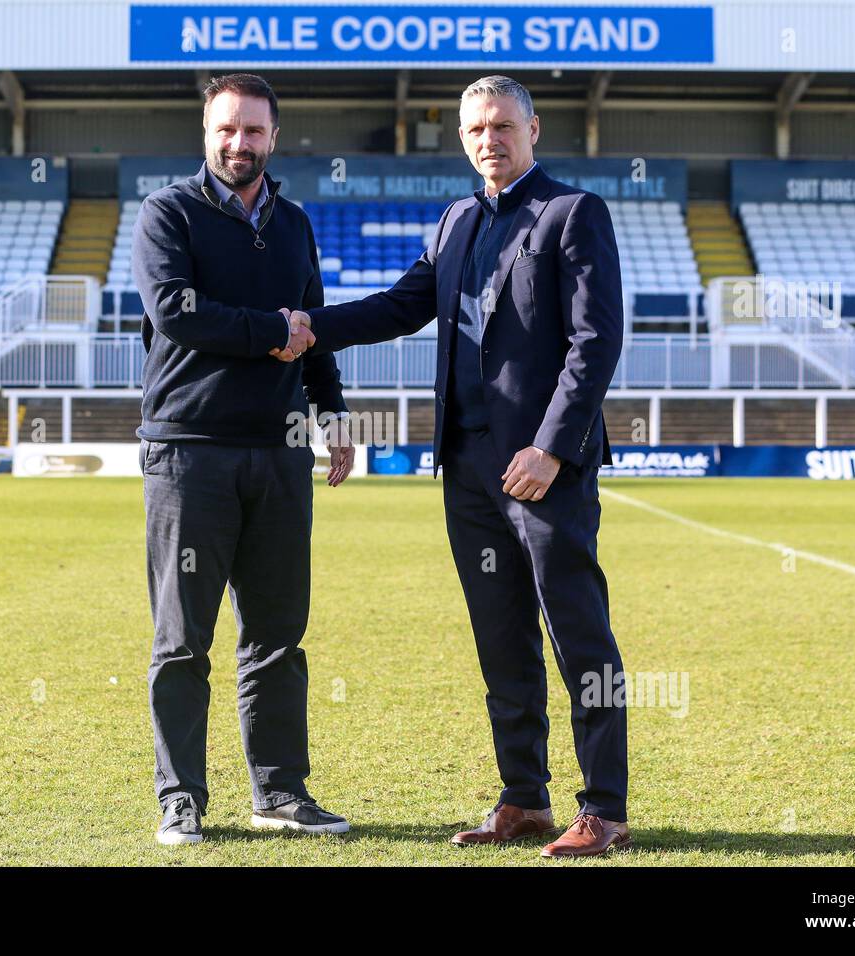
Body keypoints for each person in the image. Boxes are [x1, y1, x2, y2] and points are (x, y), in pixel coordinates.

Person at [285, 75, 630, 858]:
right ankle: (525, 799)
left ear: (533, 128)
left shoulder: (573, 214)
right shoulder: (455, 221)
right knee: (500, 638)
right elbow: (401, 305)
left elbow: (595, 343)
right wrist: (310, 327)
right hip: (468, 470)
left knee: (579, 636)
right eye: (476, 128)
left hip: (544, 468)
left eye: (503, 125)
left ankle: (603, 808)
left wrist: (551, 446)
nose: (489, 139)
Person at [131, 72, 354, 845]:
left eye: (253, 131)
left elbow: (315, 322)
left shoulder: (293, 223)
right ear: (206, 133)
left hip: (282, 454)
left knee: (278, 636)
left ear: (273, 137)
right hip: (190, 454)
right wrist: (275, 328)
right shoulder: (167, 213)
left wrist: (333, 414)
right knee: (183, 639)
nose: (239, 143)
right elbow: (178, 313)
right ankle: (181, 798)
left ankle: (281, 793)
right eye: (226, 129)